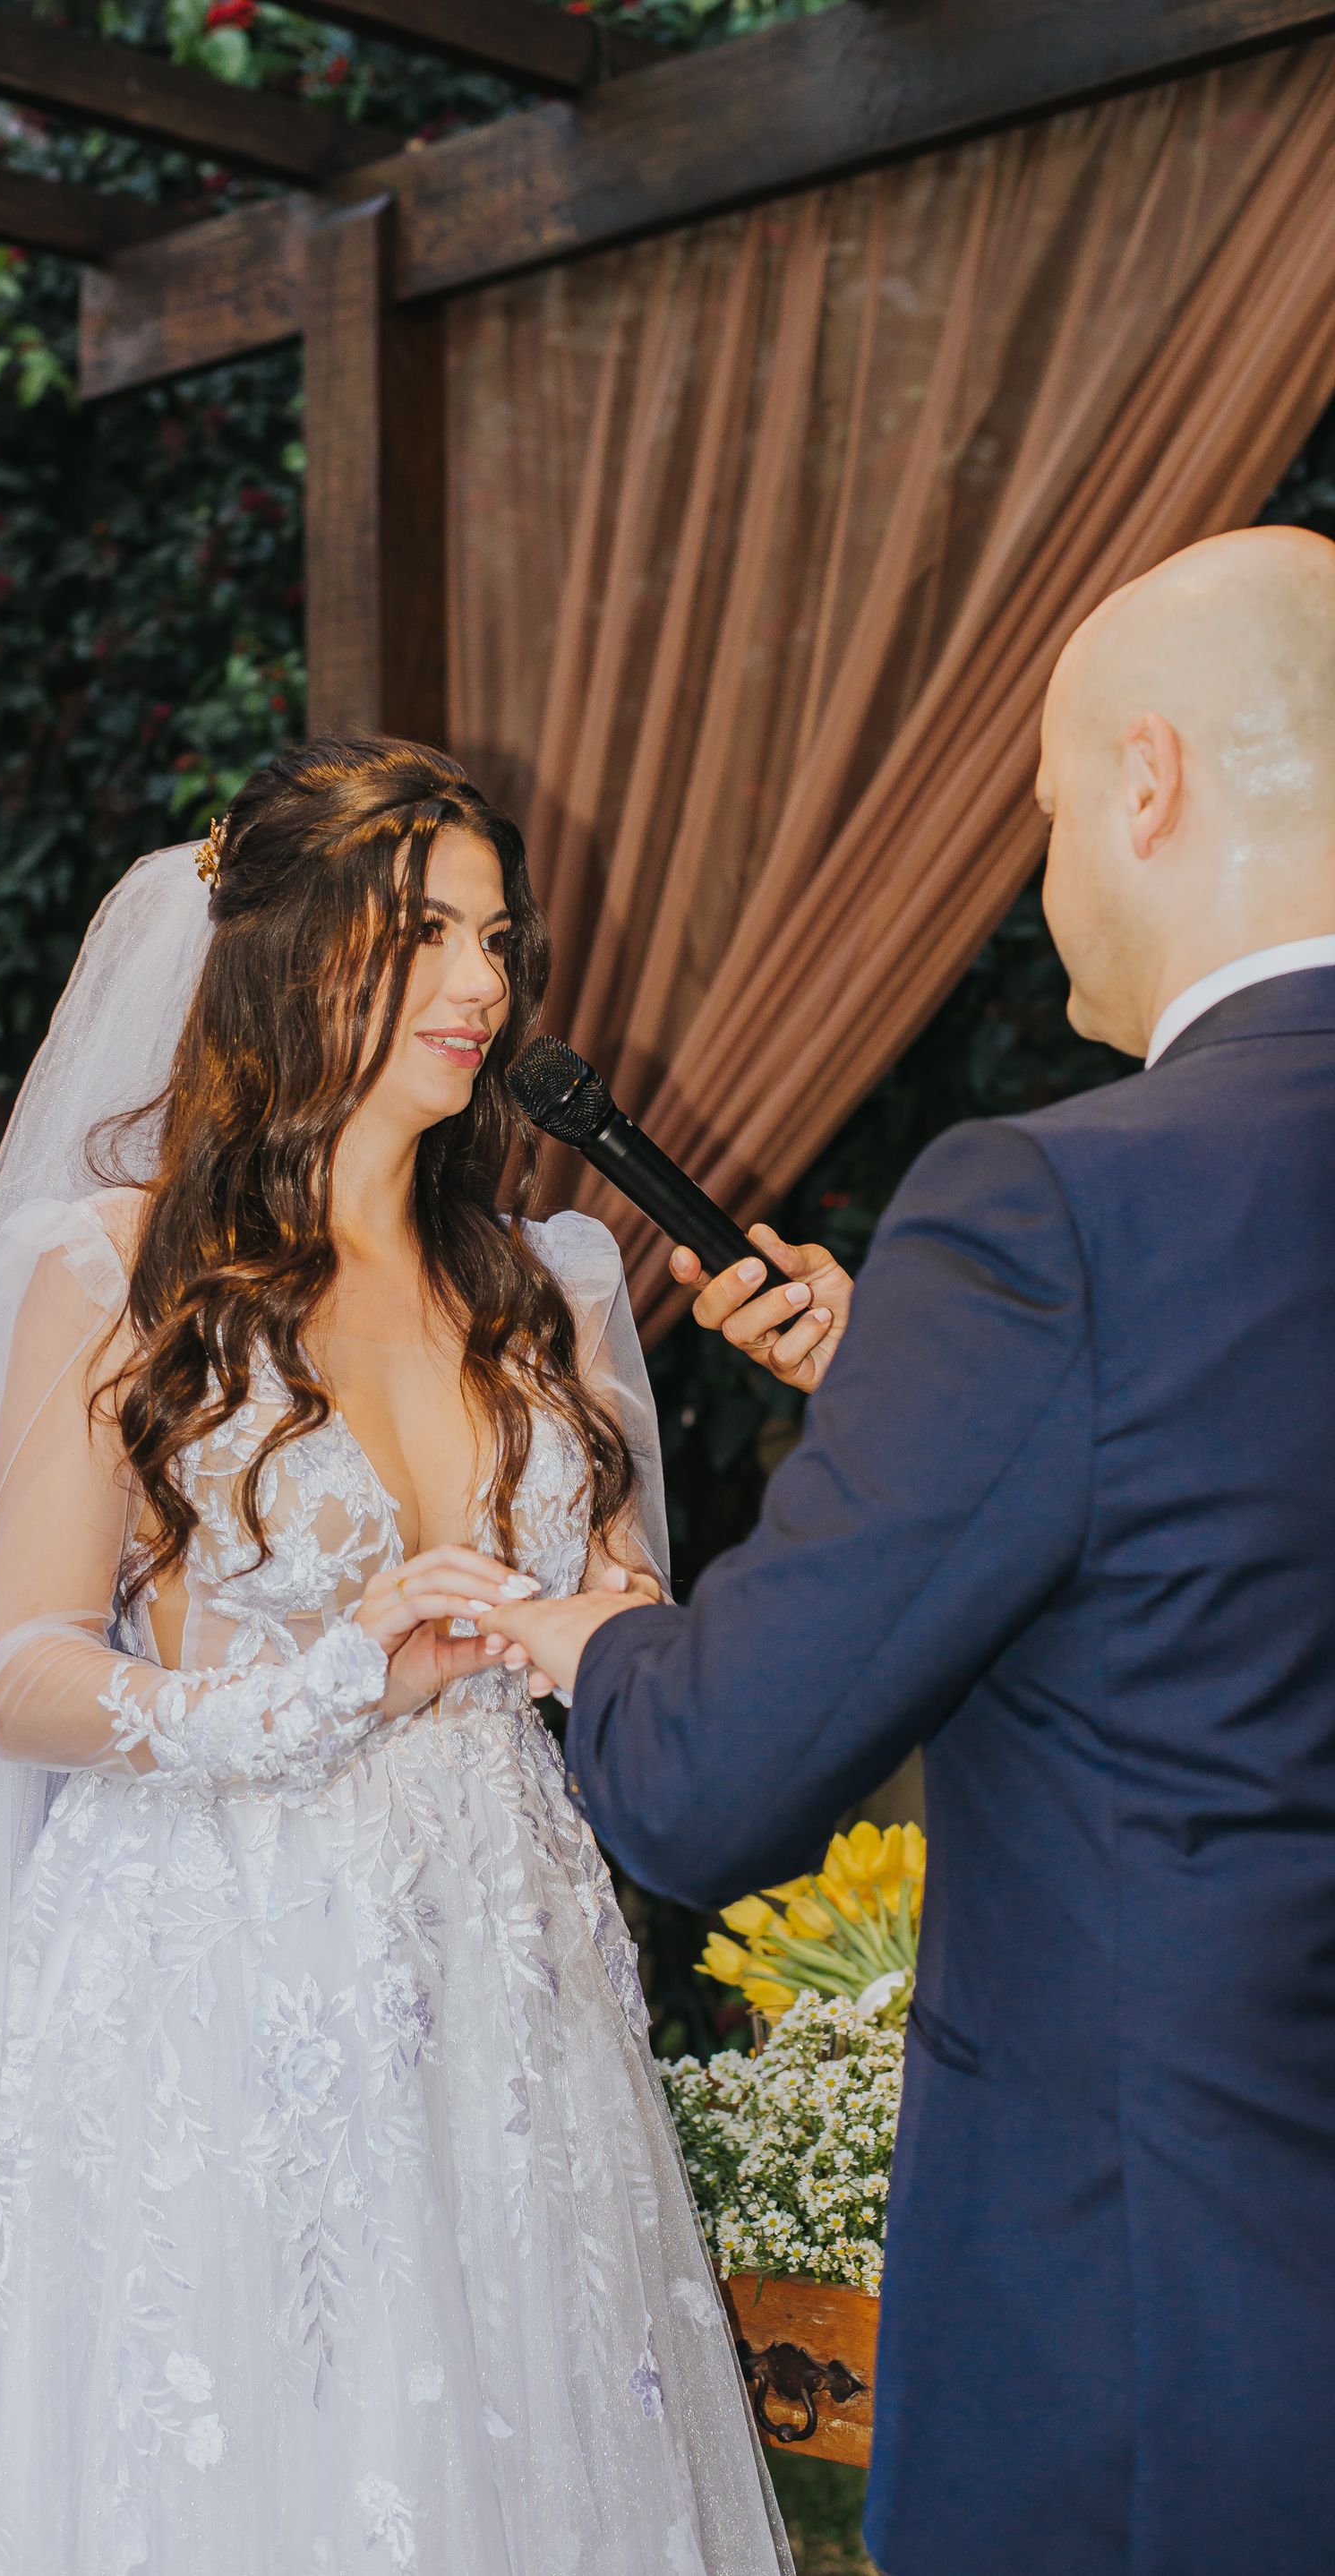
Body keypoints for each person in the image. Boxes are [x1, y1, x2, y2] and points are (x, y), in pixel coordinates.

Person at [0, 740, 834, 2575]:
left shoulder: (555, 1277)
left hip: (509, 1970)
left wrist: (836, 1403)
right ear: (282, 955)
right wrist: (332, 1677)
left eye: (498, 942)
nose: (483, 989)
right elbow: (16, 1672)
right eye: (423, 934)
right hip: (221, 1962)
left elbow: (633, 1632)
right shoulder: (118, 1267)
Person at [475, 526, 1335, 2576]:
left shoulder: (1051, 1209)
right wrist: (937, 1385)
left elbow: (712, 1773)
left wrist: (590, 1632)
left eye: (1042, 816)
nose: (1048, 888)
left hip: (1176, 2329)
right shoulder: (1094, 1267)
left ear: (1146, 781)